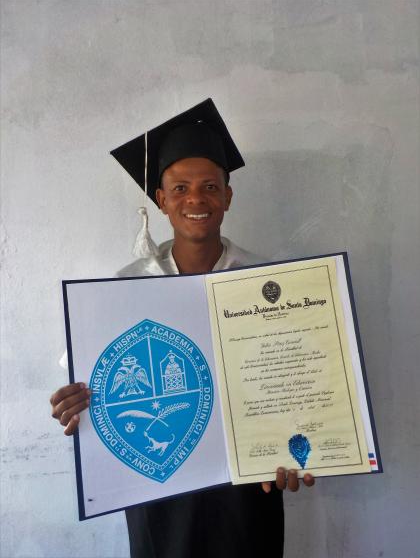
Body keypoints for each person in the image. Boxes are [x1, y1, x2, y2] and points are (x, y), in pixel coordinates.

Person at [50, 99, 315, 558]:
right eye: (180, 188)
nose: (196, 199)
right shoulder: (124, 287)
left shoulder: (268, 283)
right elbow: (92, 380)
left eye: (210, 186)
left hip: (247, 483)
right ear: (161, 200)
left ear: (227, 196)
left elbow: (297, 379)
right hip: (159, 482)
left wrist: (302, 447)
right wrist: (75, 403)